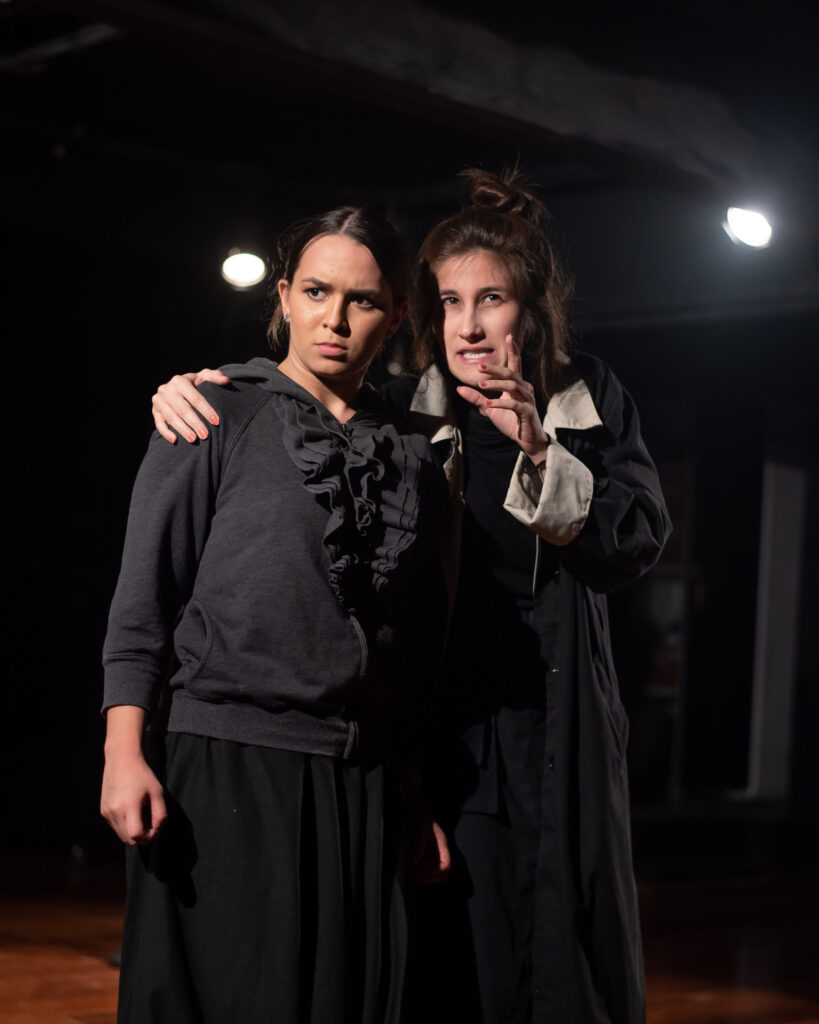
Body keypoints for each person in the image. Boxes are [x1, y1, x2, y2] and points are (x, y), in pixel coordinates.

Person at [149, 169, 671, 1024]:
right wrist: (199, 387)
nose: (469, 325)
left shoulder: (586, 395)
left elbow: (636, 540)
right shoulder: (402, 412)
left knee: (567, 954)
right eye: (448, 301)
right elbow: (296, 404)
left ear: (528, 309)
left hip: (560, 722)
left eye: (490, 298)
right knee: (452, 956)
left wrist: (540, 451)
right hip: (448, 729)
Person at [101, 205, 450, 1024]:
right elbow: (143, 603)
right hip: (229, 762)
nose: (335, 319)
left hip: (358, 779)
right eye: (317, 292)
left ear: (397, 314)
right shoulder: (211, 414)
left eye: (363, 300)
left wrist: (414, 795)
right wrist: (122, 752)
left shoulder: (411, 455)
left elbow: (404, 653)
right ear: (285, 296)